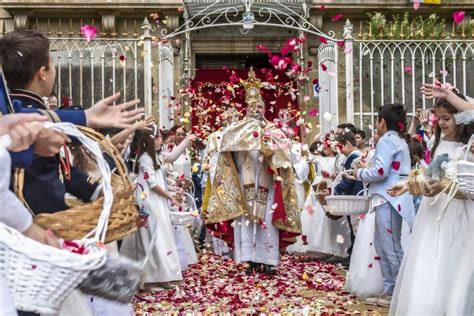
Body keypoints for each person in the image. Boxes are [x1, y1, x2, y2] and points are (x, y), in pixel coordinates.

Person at [387, 96, 473, 314]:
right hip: (432, 211)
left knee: (451, 263)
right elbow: (429, 174)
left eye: (447, 118)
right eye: (439, 118)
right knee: (428, 260)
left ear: (461, 118)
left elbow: (466, 184)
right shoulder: (438, 142)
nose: (442, 123)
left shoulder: (468, 147)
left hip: (457, 211)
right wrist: (407, 185)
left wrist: (444, 186)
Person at [205, 98, 300, 275]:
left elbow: (287, 156)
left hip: (267, 180)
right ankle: (248, 259)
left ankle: (269, 260)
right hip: (244, 180)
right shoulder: (237, 129)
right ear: (246, 109)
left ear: (265, 110)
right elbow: (226, 145)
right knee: (245, 221)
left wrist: (268, 140)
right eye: (252, 106)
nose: (255, 110)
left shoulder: (273, 130)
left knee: (267, 220)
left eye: (260, 107)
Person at [352, 104, 415, 307]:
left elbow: (380, 172)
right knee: (383, 245)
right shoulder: (397, 140)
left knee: (391, 247)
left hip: (389, 198)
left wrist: (359, 173)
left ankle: (398, 290)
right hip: (387, 197)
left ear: (383, 122)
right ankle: (390, 290)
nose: (375, 125)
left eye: (377, 120)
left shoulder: (387, 140)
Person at [120, 128, 183, 289]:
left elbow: (162, 178)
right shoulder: (145, 159)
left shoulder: (155, 157)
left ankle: (162, 276)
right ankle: (148, 280)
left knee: (162, 237)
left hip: (158, 201)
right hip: (148, 201)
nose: (160, 140)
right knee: (152, 238)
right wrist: (170, 197)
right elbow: (153, 185)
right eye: (158, 137)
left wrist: (172, 191)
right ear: (150, 140)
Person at [344, 130, 384, 299]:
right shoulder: (372, 152)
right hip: (370, 198)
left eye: (377, 132)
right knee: (365, 239)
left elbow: (378, 174)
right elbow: (366, 177)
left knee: (379, 242)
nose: (374, 135)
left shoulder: (383, 152)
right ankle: (364, 278)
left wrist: (362, 171)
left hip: (379, 198)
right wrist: (355, 174)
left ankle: (383, 283)